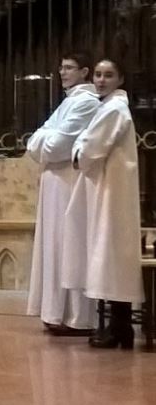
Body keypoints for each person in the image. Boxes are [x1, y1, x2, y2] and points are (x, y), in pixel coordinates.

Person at [64, 58, 144, 349]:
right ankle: (119, 325)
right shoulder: (108, 107)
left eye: (108, 75)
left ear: (120, 79)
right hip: (108, 190)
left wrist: (77, 152)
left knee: (110, 254)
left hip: (113, 193)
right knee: (110, 254)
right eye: (97, 74)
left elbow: (89, 148)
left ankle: (119, 326)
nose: (100, 80)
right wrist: (80, 147)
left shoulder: (114, 109)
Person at [26, 53, 99, 335]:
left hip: (70, 183)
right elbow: (36, 141)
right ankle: (56, 312)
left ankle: (77, 316)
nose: (62, 72)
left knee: (70, 244)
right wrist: (43, 141)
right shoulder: (69, 102)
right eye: (61, 67)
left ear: (84, 72)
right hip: (55, 182)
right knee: (54, 245)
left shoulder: (86, 103)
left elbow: (54, 145)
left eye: (69, 68)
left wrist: (43, 141)